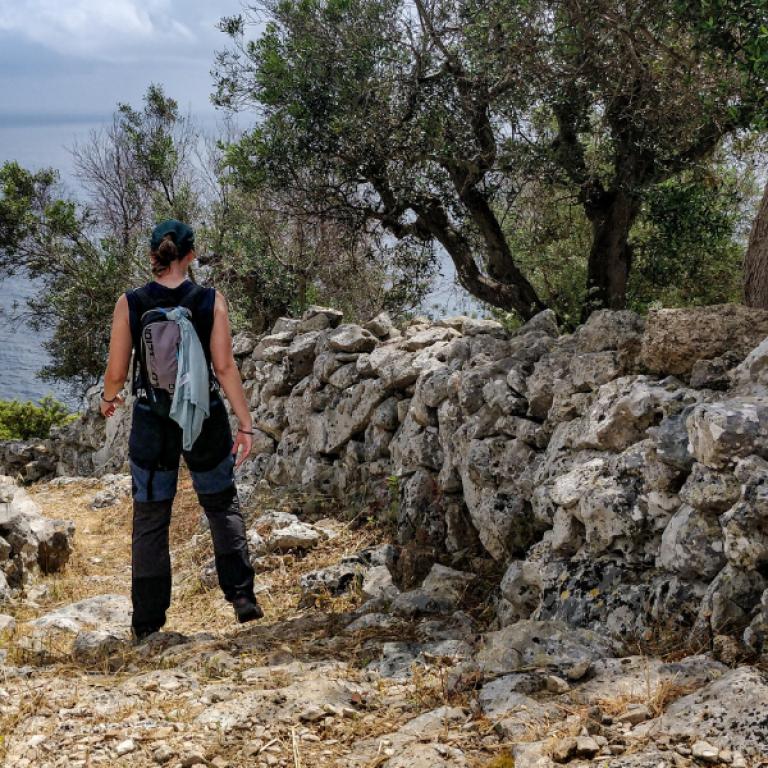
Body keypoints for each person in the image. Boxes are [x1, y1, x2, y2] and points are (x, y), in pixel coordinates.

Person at [99, 219, 262, 642]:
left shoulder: (131, 302)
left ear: (153, 254)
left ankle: (148, 621)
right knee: (221, 503)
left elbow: (117, 371)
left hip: (153, 422)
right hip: (203, 417)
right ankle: (242, 597)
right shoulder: (210, 300)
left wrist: (109, 398)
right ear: (191, 254)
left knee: (151, 518)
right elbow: (224, 368)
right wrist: (246, 424)